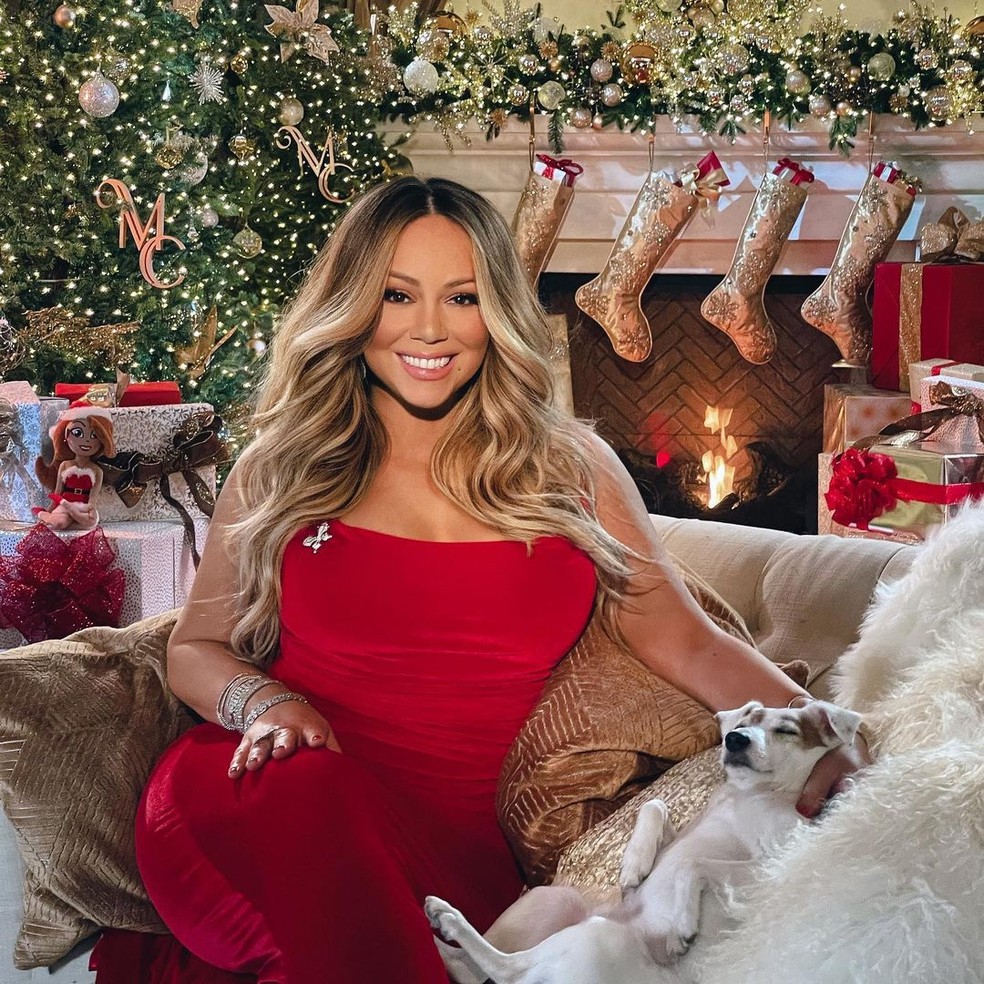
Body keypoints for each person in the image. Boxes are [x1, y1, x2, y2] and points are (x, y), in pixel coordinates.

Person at [90, 177, 867, 983]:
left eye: (461, 298)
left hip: (447, 865)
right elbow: (196, 647)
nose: (430, 328)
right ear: (355, 305)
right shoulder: (281, 466)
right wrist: (269, 702)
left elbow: (687, 641)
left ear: (495, 311)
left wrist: (827, 737)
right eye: (397, 294)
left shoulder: (571, 469)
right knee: (311, 791)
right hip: (258, 799)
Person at [33, 404, 115, 530]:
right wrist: (50, 509)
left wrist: (92, 509)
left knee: (90, 522)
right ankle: (42, 514)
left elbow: (93, 497)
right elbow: (58, 491)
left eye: (94, 435)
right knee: (60, 523)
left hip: (82, 506)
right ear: (65, 436)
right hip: (63, 503)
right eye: (78, 432)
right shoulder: (65, 465)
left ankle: (71, 513)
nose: (87, 440)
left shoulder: (96, 470)